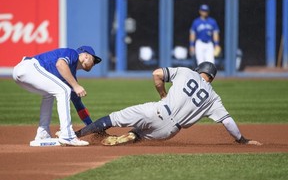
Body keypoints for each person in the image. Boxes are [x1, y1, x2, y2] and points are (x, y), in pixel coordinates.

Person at [73, 62, 262, 146]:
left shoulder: (188, 72)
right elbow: (228, 121)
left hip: (158, 110)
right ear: (211, 79)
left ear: (199, 70)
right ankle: (130, 137)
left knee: (114, 118)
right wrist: (242, 140)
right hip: (169, 131)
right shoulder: (213, 98)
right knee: (138, 135)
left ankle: (76, 136)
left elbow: (157, 73)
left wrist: (163, 94)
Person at [12, 46, 102, 146]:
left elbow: (78, 105)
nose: (94, 64)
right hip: (29, 67)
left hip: (22, 73)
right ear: (85, 55)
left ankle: (43, 133)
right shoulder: (72, 53)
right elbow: (60, 64)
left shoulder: (69, 76)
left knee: (50, 94)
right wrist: (76, 86)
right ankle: (67, 135)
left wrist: (93, 127)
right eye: (94, 60)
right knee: (64, 90)